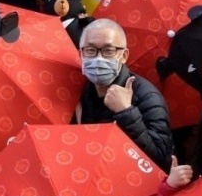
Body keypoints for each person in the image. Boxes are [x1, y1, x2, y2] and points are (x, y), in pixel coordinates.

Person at [74, 19, 173, 173]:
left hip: (128, 177)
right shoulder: (80, 90)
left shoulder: (147, 97)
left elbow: (161, 160)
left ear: (124, 55)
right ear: (81, 54)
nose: (99, 58)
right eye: (90, 50)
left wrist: (126, 112)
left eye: (108, 51)